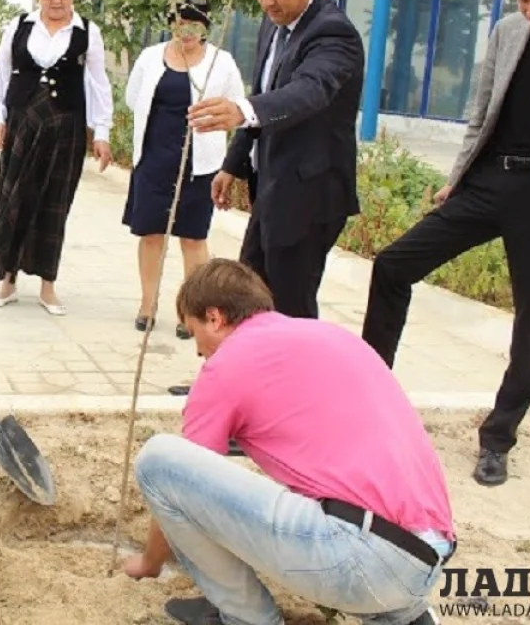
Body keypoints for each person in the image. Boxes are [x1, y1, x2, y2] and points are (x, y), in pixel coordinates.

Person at [124, 259, 454, 625]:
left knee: (158, 459)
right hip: (425, 561)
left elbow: (181, 480)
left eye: (193, 332)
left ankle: (246, 617)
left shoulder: (226, 364)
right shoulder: (330, 336)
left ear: (214, 318)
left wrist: (149, 563)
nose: (198, 350)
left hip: (360, 560)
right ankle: (405, 618)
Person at [362, 0, 530, 488]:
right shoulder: (508, 31)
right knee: (392, 264)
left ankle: (498, 438)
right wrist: (457, 178)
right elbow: (481, 111)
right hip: (487, 181)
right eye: (524, 1)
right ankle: (366, 396)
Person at [189, 0, 363, 319]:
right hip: (271, 186)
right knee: (247, 295)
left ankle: (296, 380)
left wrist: (241, 109)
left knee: (289, 306)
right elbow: (263, 95)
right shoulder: (274, 25)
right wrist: (233, 164)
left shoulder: (334, 33)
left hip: (309, 192)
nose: (267, 2)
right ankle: (237, 378)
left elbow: (309, 91)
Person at [0, 0, 113, 315]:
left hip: (65, 126)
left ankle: (47, 285)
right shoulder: (18, 27)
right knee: (13, 199)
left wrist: (102, 132)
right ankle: (6, 280)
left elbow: (98, 85)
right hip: (23, 122)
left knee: (54, 204)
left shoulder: (88, 32)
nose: (57, 0)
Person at [123, 0, 246, 336]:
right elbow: (134, 98)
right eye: (181, 24)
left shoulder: (222, 61)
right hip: (154, 157)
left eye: (195, 25)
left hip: (200, 161)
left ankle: (188, 311)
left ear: (205, 27)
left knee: (192, 237)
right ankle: (148, 303)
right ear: (171, 24)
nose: (188, 32)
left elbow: (236, 107)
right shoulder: (150, 57)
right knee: (151, 234)